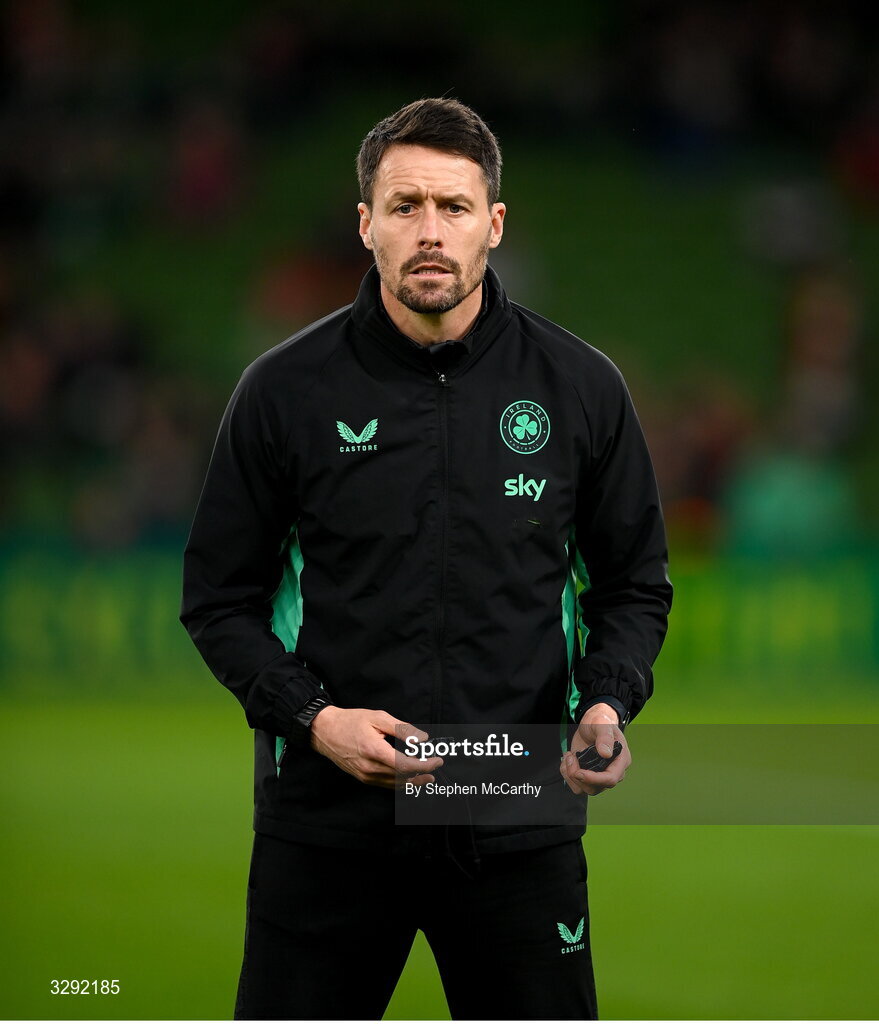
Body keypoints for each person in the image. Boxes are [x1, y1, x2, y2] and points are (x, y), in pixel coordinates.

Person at [181, 97, 672, 1021]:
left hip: (514, 806)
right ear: (367, 224)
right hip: (327, 824)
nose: (431, 231)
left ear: (495, 224)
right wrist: (315, 720)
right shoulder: (283, 390)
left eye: (454, 206)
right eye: (405, 206)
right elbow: (218, 600)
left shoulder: (581, 387)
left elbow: (634, 584)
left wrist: (606, 700)